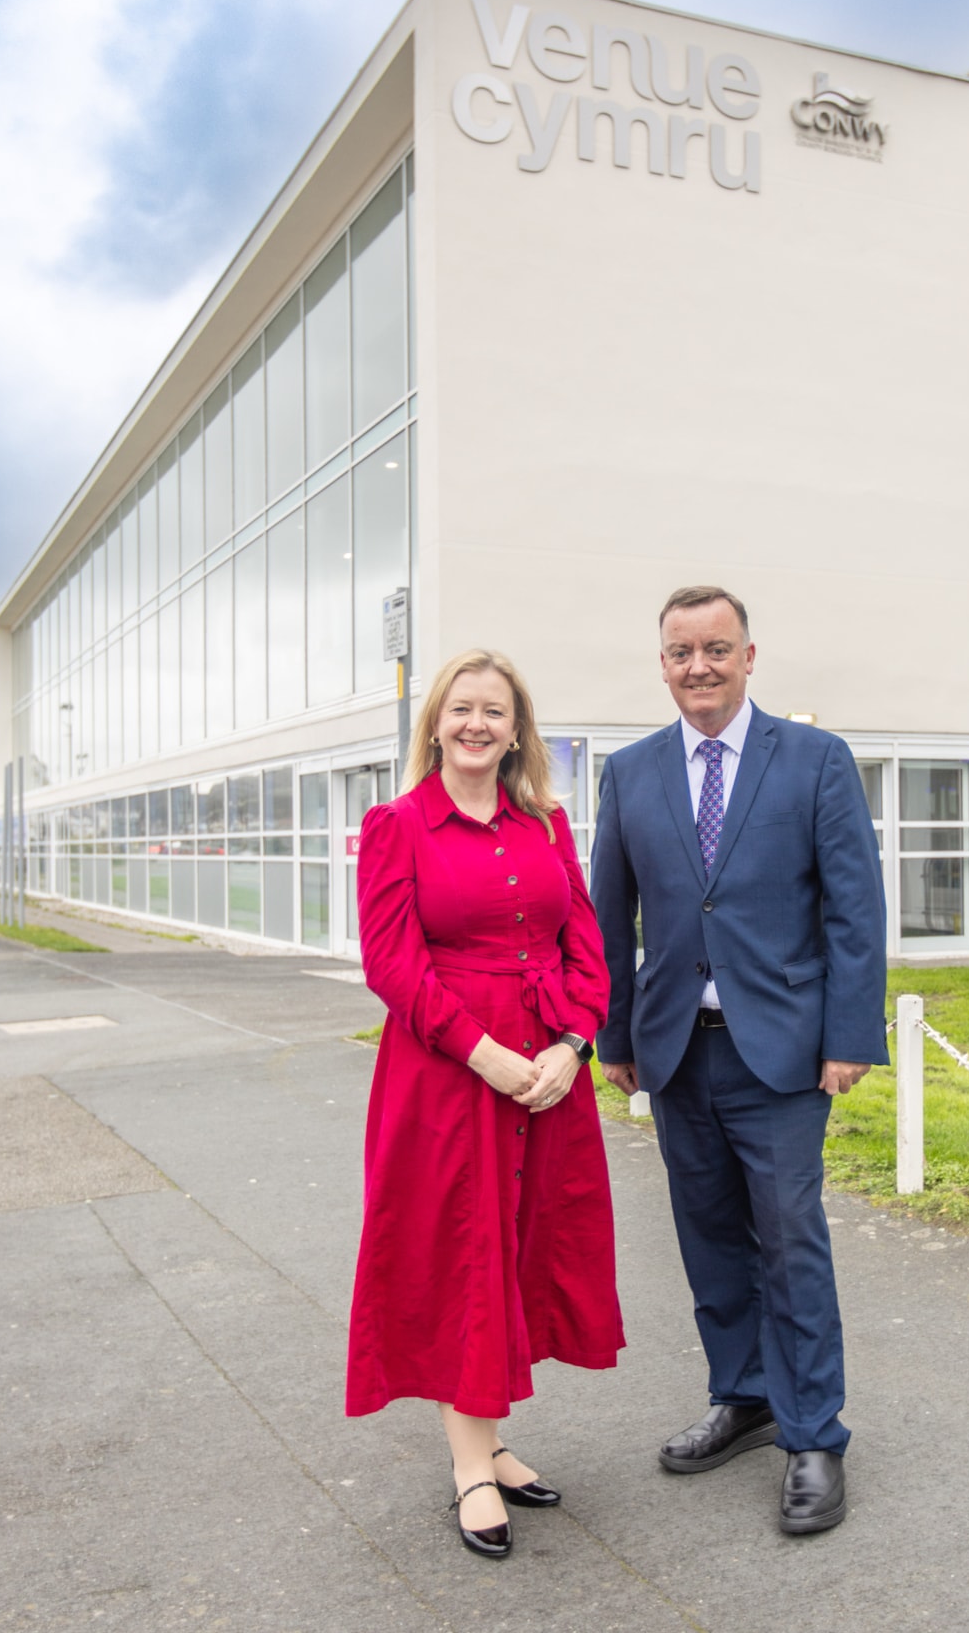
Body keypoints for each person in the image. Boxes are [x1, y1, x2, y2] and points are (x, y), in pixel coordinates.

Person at [589, 586, 887, 1535]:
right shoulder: (630, 774)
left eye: (717, 648)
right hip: (678, 1053)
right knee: (710, 1236)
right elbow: (610, 918)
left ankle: (813, 1437)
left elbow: (854, 911)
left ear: (750, 656)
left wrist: (849, 1036)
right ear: (663, 663)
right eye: (681, 652)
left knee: (791, 1241)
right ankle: (746, 1395)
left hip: (785, 1058)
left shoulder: (814, 761)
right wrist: (618, 1034)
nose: (699, 667)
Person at [346, 649, 624, 1560]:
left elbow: (586, 946)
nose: (476, 723)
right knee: (459, 1249)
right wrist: (488, 1056)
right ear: (435, 722)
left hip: (547, 1072)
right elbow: (393, 965)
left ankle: (491, 1440)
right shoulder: (396, 825)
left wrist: (572, 1046)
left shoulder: (544, 824)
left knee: (523, 1247)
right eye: (461, 708)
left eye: (494, 711)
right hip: (446, 1076)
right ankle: (471, 1462)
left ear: (515, 730)